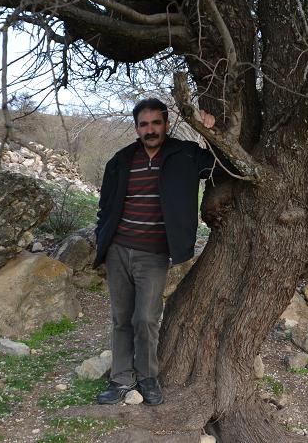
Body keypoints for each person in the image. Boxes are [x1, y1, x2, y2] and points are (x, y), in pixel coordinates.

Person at [93, 98, 217, 406]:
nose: (150, 130)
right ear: (137, 127)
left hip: (153, 254)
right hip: (118, 250)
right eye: (144, 124)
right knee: (121, 318)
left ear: (166, 124)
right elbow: (105, 207)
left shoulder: (186, 154)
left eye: (156, 123)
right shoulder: (121, 160)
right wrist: (103, 241)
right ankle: (121, 378)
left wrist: (211, 131)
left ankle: (147, 377)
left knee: (146, 318)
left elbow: (221, 164)